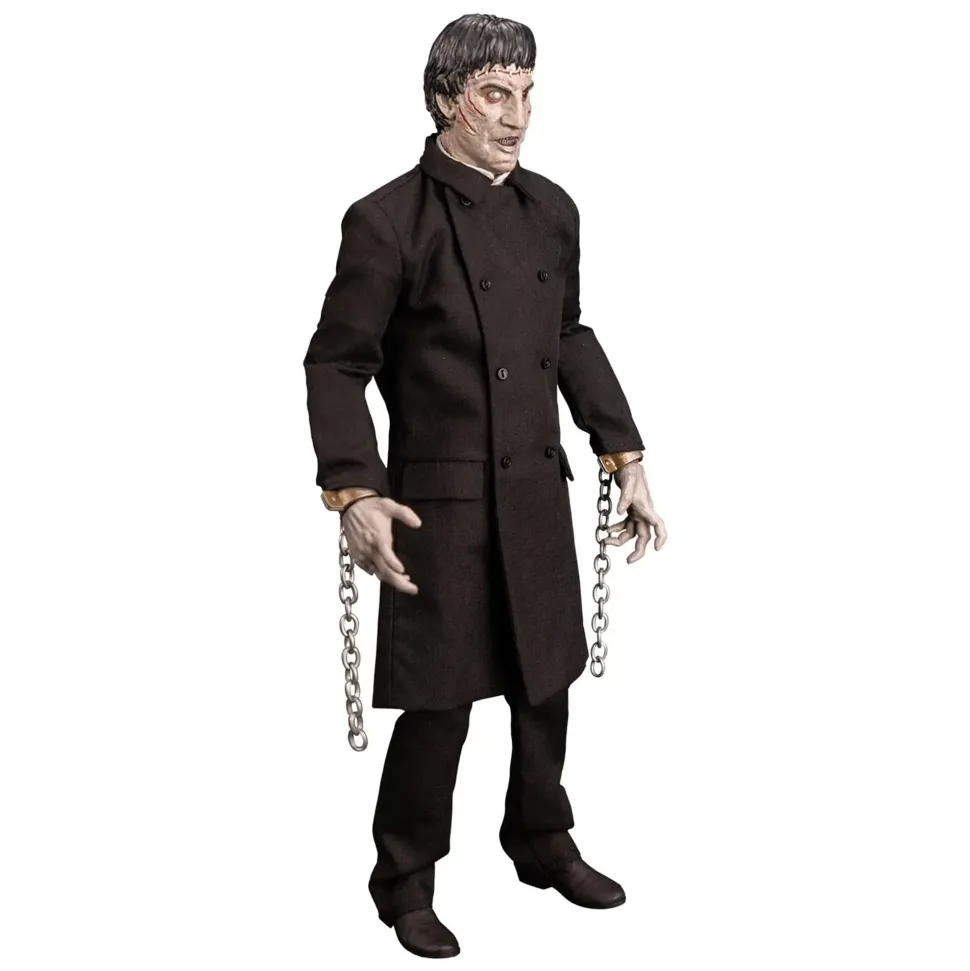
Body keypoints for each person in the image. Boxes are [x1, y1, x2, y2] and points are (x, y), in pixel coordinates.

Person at [303, 13, 667, 959]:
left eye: (528, 94)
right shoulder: (387, 219)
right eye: (495, 95)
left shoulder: (553, 209)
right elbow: (336, 363)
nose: (518, 116)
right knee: (441, 706)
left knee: (547, 685)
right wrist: (355, 489)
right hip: (441, 504)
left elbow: (567, 333)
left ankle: (541, 838)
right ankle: (404, 877)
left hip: (536, 488)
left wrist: (623, 450)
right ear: (444, 101)